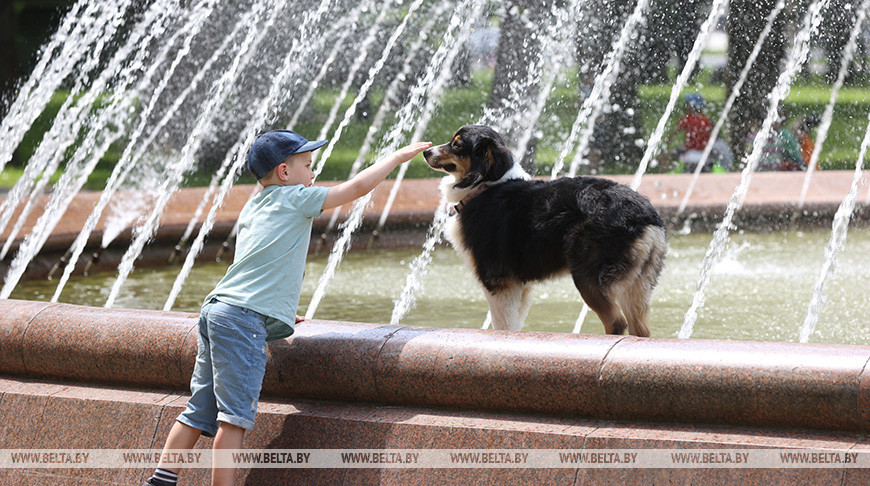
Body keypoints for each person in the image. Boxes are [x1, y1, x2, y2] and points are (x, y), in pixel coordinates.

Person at [143, 130, 430, 486]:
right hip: (242, 319)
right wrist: (396, 158)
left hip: (218, 310)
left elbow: (257, 261)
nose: (313, 174)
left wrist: (273, 307)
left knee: (199, 408)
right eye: (308, 166)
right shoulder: (296, 197)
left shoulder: (256, 203)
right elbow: (355, 189)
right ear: (284, 172)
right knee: (233, 419)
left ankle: (161, 479)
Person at [663, 93, 712, 172]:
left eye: (687, 104)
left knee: (663, 155)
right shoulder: (706, 120)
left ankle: (666, 175)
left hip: (689, 154)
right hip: (704, 154)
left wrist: (666, 144)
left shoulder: (687, 119)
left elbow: (674, 133)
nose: (686, 106)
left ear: (691, 106)